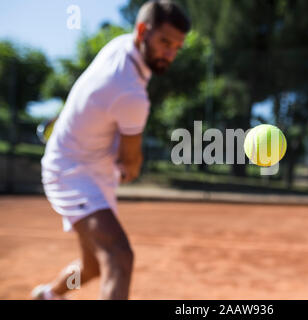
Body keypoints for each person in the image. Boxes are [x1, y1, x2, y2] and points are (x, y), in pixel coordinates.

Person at [31, 0, 190, 300]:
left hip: (92, 169)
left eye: (177, 47)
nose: (170, 54)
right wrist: (130, 166)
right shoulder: (130, 92)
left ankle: (48, 296)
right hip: (71, 172)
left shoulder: (121, 47)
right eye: (164, 42)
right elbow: (130, 162)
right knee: (119, 257)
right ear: (142, 30)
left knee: (93, 267)